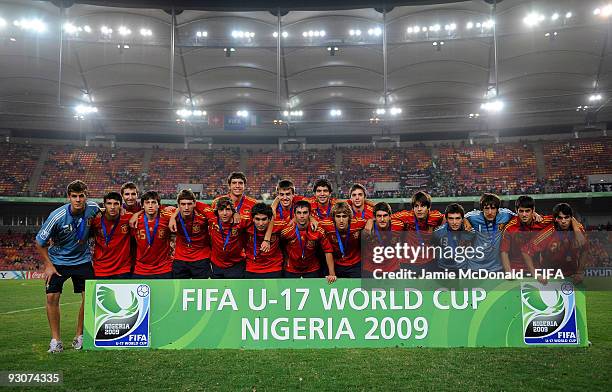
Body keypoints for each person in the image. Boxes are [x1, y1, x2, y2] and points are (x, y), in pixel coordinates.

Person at [35, 180, 100, 353]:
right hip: (58, 262)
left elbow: (106, 216)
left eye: (81, 196)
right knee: (51, 299)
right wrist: (48, 265)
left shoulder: (93, 208)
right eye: (74, 196)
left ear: (86, 196)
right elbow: (39, 242)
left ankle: (79, 336)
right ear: (68, 197)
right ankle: (56, 340)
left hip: (83, 260)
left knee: (89, 298)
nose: (78, 200)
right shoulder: (57, 216)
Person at [522, 203, 587, 284]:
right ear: (555, 219)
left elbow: (584, 250)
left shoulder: (578, 230)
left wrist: (580, 272)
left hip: (572, 277)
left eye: (566, 217)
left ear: (571, 218)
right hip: (550, 278)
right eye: (560, 218)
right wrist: (536, 274)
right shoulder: (548, 232)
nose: (563, 221)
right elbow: (526, 251)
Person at [280, 200, 336, 282]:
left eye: (305, 213)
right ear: (294, 215)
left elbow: (328, 251)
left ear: (310, 214)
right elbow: (280, 247)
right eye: (299, 213)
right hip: (291, 269)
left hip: (312, 269)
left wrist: (332, 274)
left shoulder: (318, 231)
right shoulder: (286, 231)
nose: (302, 216)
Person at [392, 191, 445, 272]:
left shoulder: (435, 216)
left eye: (423, 206)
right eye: (416, 206)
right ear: (413, 208)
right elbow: (384, 216)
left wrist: (466, 221)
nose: (419, 209)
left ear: (428, 207)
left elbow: (450, 217)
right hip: (407, 263)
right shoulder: (405, 216)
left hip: (429, 262)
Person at [465, 193, 516, 272]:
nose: (490, 212)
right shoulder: (473, 217)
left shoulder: (506, 215)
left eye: (493, 208)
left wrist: (534, 214)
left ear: (498, 209)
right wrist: (465, 222)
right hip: (474, 266)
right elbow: (457, 217)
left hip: (497, 267)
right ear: (482, 209)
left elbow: (521, 216)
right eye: (486, 208)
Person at [500, 196, 552, 273]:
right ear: (516, 211)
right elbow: (504, 252)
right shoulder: (509, 228)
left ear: (533, 210)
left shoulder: (541, 222)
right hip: (516, 270)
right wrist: (508, 271)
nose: (524, 214)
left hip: (537, 269)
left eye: (527, 211)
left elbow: (567, 219)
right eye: (521, 211)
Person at [90, 192, 133, 279]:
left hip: (123, 269)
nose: (112, 207)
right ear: (104, 205)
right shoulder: (95, 220)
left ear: (121, 205)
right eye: (109, 203)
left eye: (116, 204)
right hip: (101, 268)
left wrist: (137, 213)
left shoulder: (128, 218)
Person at [131, 191, 174, 279]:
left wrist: (173, 217)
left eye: (153, 202)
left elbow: (181, 210)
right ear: (142, 206)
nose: (150, 205)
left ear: (159, 205)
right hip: (141, 269)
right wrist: (136, 214)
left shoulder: (167, 218)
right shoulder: (134, 220)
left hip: (163, 268)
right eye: (147, 203)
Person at [172, 189, 213, 278]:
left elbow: (217, 216)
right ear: (178, 206)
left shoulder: (202, 216)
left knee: (201, 290)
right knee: (179, 291)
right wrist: (172, 217)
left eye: (189, 204)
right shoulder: (172, 216)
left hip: (201, 257)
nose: (186, 207)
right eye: (183, 204)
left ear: (195, 204)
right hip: (180, 258)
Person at [318, 201, 367, 278]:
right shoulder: (326, 225)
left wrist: (369, 223)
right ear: (333, 218)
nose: (341, 220)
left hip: (355, 264)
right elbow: (313, 223)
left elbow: (371, 221)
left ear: (349, 217)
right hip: (336, 263)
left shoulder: (358, 223)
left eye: (344, 216)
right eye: (338, 216)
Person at [243, 203, 288, 278]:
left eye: (264, 219)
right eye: (257, 219)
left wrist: (311, 219)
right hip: (252, 268)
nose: (260, 223)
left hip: (274, 268)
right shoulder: (246, 226)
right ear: (253, 219)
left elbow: (297, 221)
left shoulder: (279, 225)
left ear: (270, 219)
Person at [432, 203, 476, 271]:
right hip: (443, 268)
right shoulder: (437, 233)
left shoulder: (471, 233)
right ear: (446, 219)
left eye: (457, 218)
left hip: (463, 268)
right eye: (451, 218)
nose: (454, 222)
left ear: (462, 219)